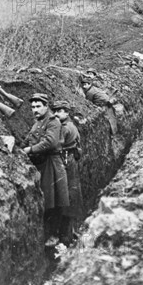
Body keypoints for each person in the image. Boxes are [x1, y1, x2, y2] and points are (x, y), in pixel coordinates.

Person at [22, 93, 70, 245]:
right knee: (47, 200)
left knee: (54, 201)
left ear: (46, 106)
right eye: (32, 107)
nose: (35, 110)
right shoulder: (38, 122)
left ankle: (55, 235)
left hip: (52, 164)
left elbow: (49, 142)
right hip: (42, 164)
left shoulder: (53, 122)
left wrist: (29, 150)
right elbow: (29, 138)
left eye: (38, 106)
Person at [52, 100, 83, 244]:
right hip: (71, 159)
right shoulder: (72, 125)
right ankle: (71, 230)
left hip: (66, 161)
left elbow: (55, 144)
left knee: (66, 196)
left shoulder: (64, 128)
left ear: (67, 112)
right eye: (55, 111)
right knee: (72, 193)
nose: (56, 113)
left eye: (60, 111)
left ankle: (64, 235)